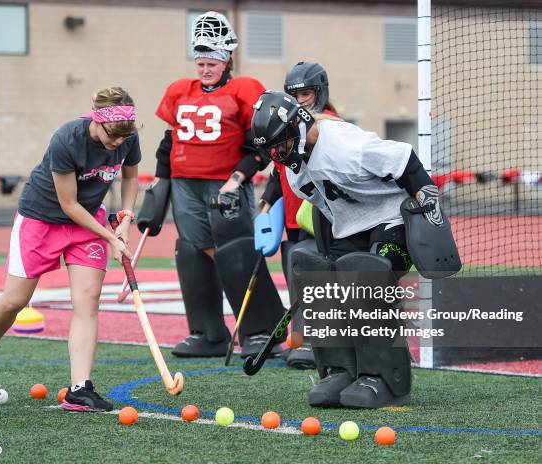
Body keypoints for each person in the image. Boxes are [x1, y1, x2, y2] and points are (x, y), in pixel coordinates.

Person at [251, 90, 450, 409]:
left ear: (297, 130)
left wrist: (429, 206)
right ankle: (342, 370)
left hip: (393, 218)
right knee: (317, 276)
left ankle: (385, 379)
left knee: (367, 279)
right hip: (353, 226)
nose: (278, 154)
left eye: (281, 145)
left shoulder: (345, 146)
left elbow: (405, 160)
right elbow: (326, 209)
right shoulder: (293, 169)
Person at [0, 87, 141, 413]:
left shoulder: (126, 136)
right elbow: (69, 204)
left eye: (123, 136)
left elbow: (130, 178)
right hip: (42, 217)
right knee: (15, 300)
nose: (118, 143)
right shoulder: (67, 140)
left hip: (87, 225)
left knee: (88, 300)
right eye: (112, 136)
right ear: (96, 121)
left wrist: (126, 219)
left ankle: (79, 388)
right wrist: (111, 238)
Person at [153, 11, 285, 358]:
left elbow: (261, 143)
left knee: (236, 249)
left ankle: (261, 329)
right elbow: (170, 142)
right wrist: (160, 185)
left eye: (212, 62)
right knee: (192, 251)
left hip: (224, 182)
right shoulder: (180, 91)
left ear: (226, 60)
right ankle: (208, 332)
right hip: (185, 184)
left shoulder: (244, 89)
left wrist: (238, 178)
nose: (206, 68)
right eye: (201, 62)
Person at [257, 62, 339, 370]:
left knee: (321, 281)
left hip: (324, 219)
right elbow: (279, 172)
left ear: (319, 93)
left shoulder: (328, 125)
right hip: (293, 220)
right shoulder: (285, 126)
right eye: (295, 95)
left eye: (306, 94)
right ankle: (300, 340)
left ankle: (325, 343)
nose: (300, 100)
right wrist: (266, 205)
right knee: (297, 283)